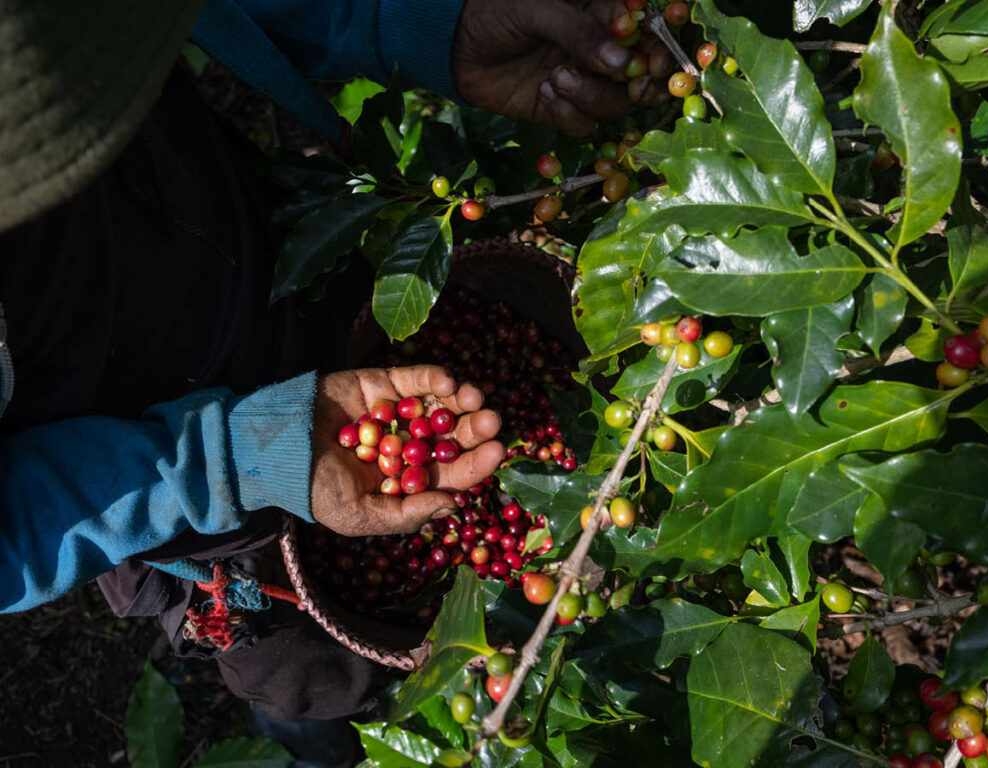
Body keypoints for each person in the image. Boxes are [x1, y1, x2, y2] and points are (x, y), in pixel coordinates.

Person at [0, 0, 670, 761]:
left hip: (271, 259)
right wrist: (238, 460)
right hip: (188, 501)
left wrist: (413, 27)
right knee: (307, 680)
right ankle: (323, 743)